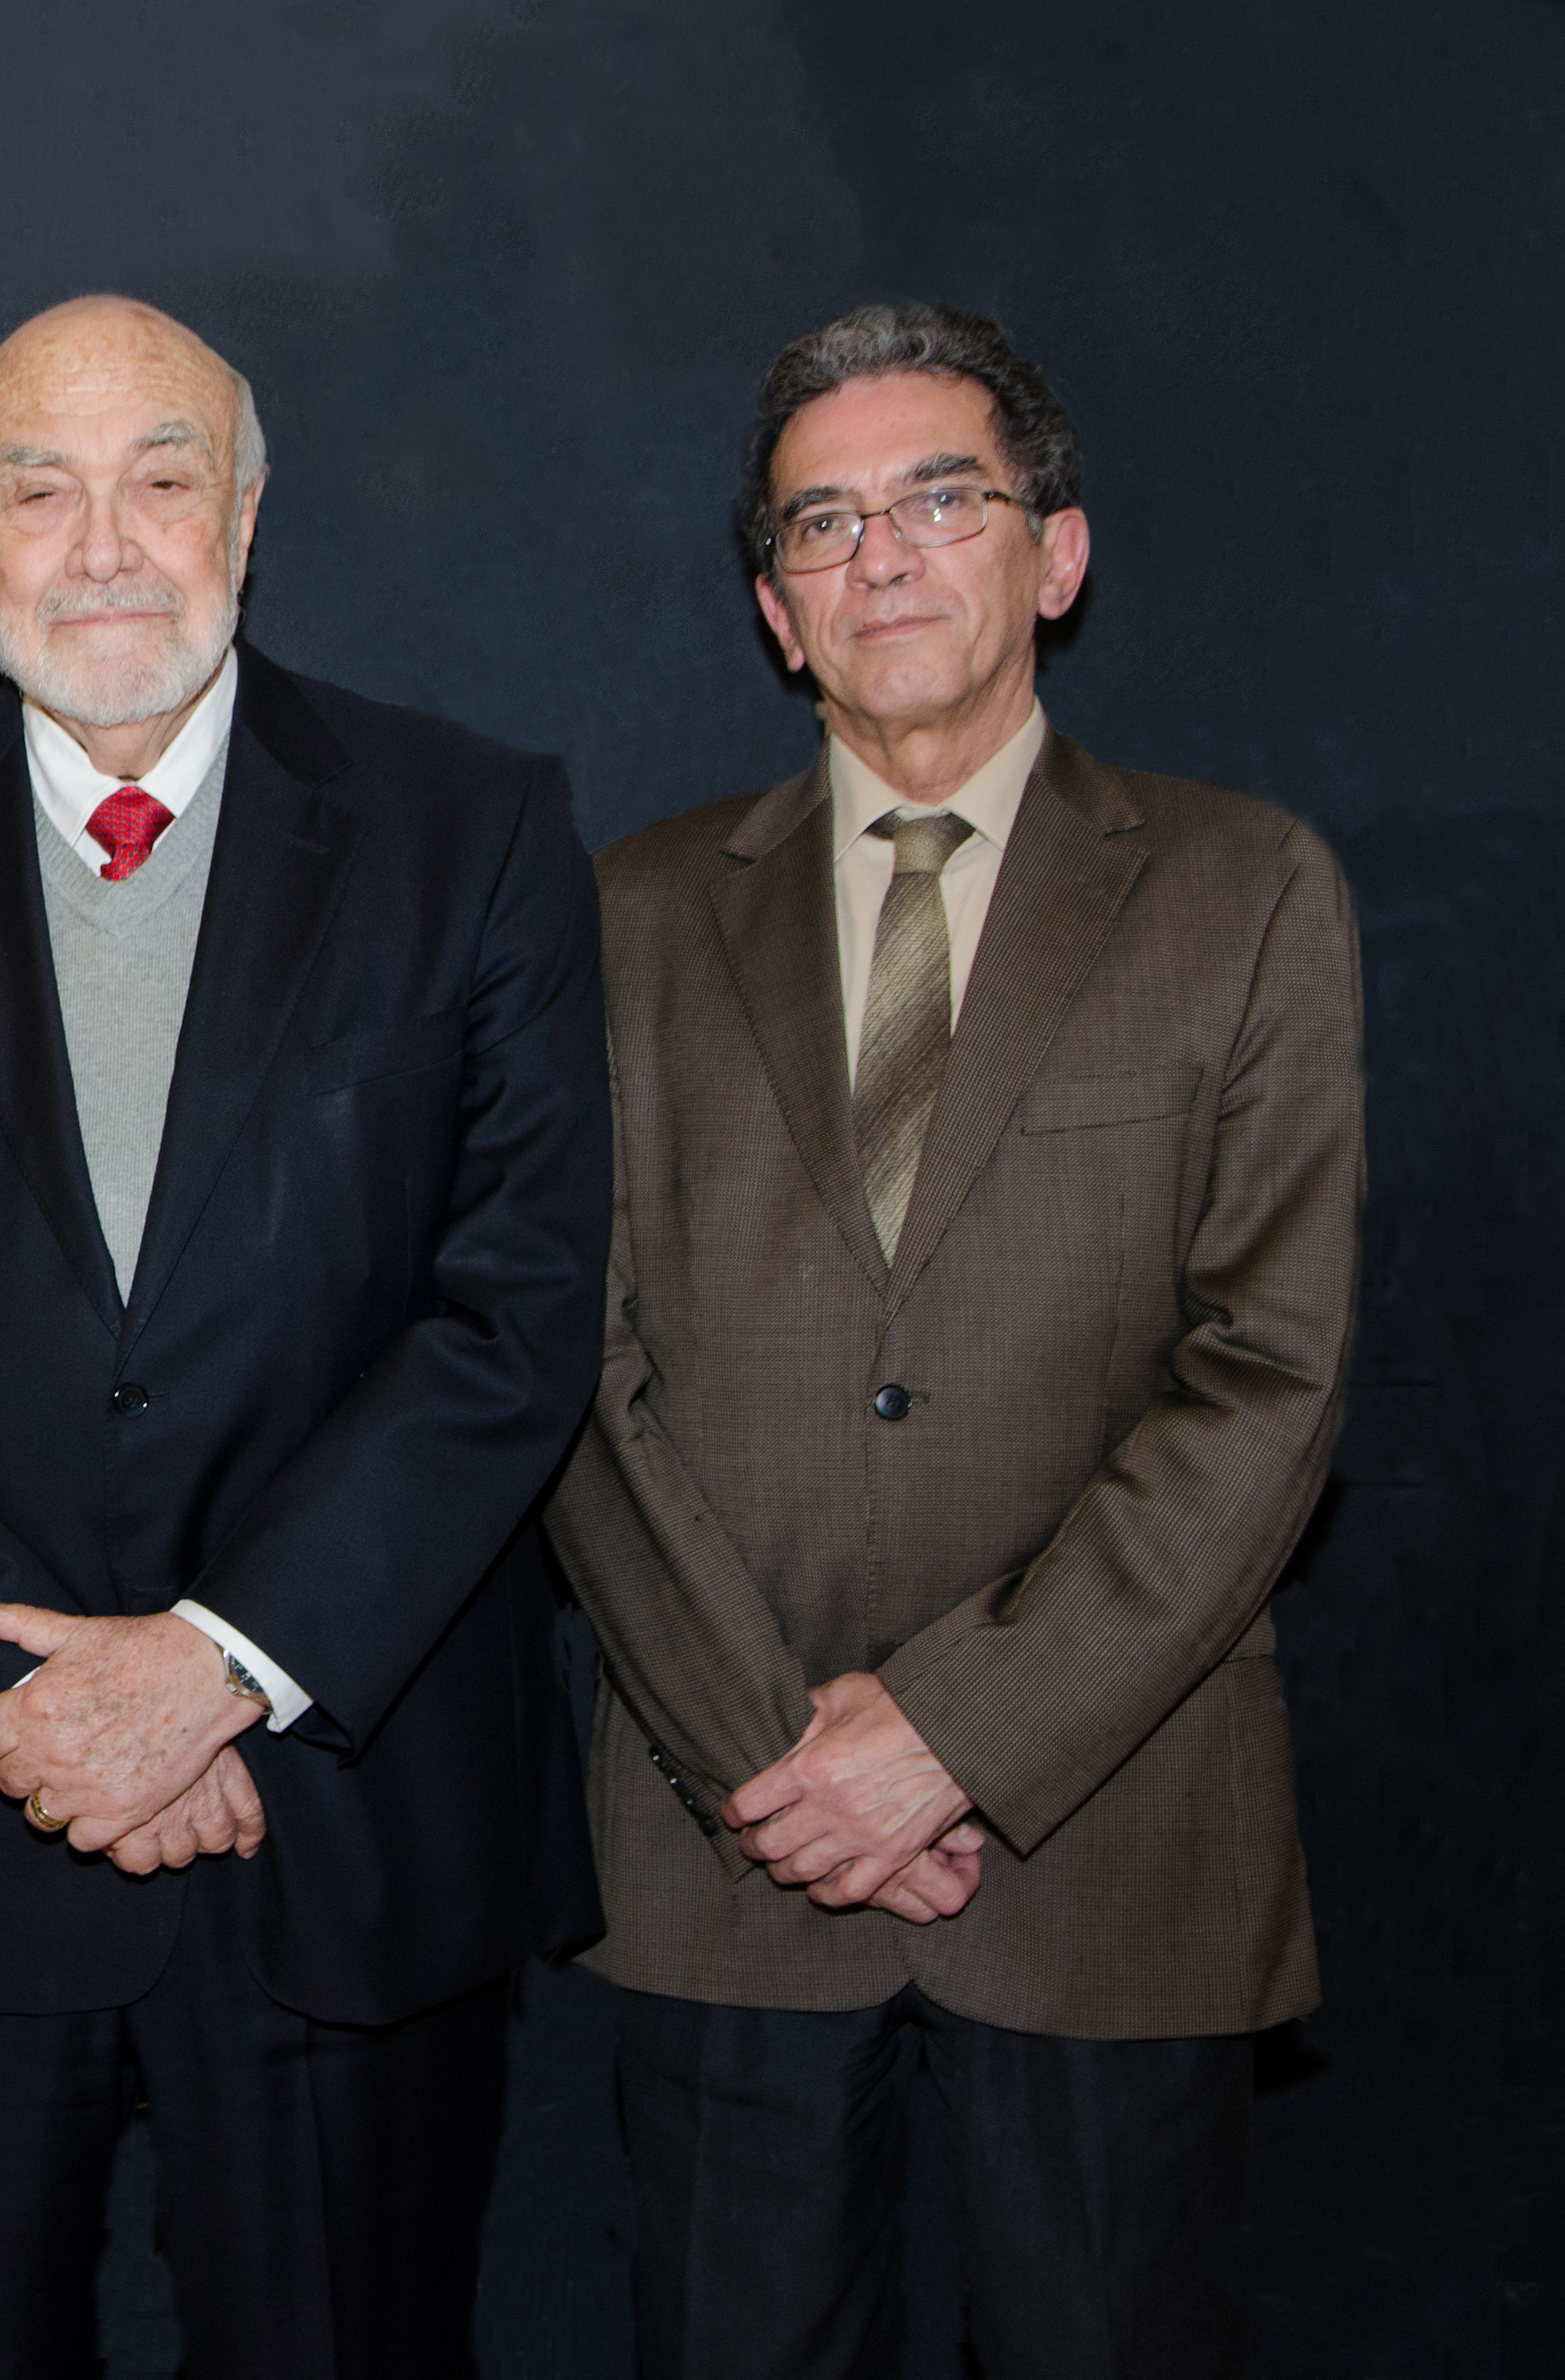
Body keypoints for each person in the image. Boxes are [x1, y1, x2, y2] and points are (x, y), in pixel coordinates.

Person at [0, 294, 609, 2378]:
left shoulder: (473, 831)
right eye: (40, 489)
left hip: (343, 1825)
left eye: (160, 478)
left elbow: (520, 1303)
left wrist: (216, 1665)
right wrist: (33, 1701)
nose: (102, 543)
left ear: (248, 514)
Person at [546, 300, 1361, 2378]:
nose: (882, 553)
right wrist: (775, 1759)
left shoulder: (1246, 891)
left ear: (1055, 554)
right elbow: (569, 1366)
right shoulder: (622, 917)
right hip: (732, 1858)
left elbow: (1269, 1375)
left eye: (939, 499)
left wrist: (952, 1734)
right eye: (822, 523)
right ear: (776, 611)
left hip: (1110, 1853)